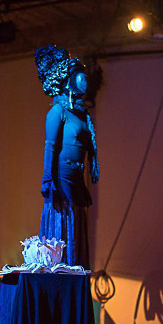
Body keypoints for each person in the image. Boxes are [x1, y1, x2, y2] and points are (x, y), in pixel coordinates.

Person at [34, 45, 99, 268]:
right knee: (64, 218)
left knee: (76, 219)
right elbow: (50, 147)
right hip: (61, 176)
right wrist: (47, 179)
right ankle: (61, 265)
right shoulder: (57, 112)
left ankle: (75, 264)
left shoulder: (81, 115)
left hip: (77, 175)